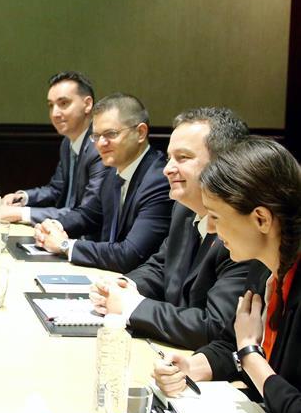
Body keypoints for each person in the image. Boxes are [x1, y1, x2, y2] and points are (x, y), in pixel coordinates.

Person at [152, 137, 301, 413]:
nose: (212, 231)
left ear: (261, 218)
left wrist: (250, 355)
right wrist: (194, 366)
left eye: (217, 218)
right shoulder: (262, 266)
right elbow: (231, 343)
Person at [90, 107, 249, 349]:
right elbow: (161, 265)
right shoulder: (184, 209)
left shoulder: (245, 230)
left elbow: (214, 326)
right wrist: (125, 286)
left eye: (183, 158)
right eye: (168, 158)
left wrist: (131, 306)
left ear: (224, 163)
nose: (167, 169)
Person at [34, 93, 173, 273]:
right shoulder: (114, 171)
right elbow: (88, 215)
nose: (101, 143)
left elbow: (130, 255)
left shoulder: (159, 181)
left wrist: (64, 245)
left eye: (110, 134)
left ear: (140, 132)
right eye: (96, 136)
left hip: (136, 287)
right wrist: (53, 227)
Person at [0, 71, 106, 227]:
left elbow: (86, 213)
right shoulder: (67, 143)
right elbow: (56, 190)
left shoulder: (100, 147)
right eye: (51, 105)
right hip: (61, 231)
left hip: (85, 241)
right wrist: (23, 197)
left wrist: (20, 213)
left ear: (87, 104)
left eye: (63, 103)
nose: (55, 113)